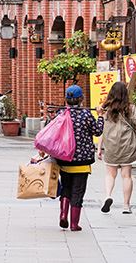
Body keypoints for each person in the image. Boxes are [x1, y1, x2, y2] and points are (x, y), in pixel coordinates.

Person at [54, 84, 104, 231]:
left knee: (66, 188)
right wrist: (100, 116)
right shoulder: (86, 115)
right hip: (82, 162)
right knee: (78, 192)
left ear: (66, 100)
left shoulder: (61, 114)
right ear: (81, 99)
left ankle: (63, 215)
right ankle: (74, 224)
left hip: (65, 160)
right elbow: (97, 131)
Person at [97, 81, 136, 214]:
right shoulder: (130, 108)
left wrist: (99, 148)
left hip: (111, 145)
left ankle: (108, 196)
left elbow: (102, 129)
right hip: (127, 145)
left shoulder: (106, 109)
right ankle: (126, 206)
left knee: (110, 174)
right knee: (126, 176)